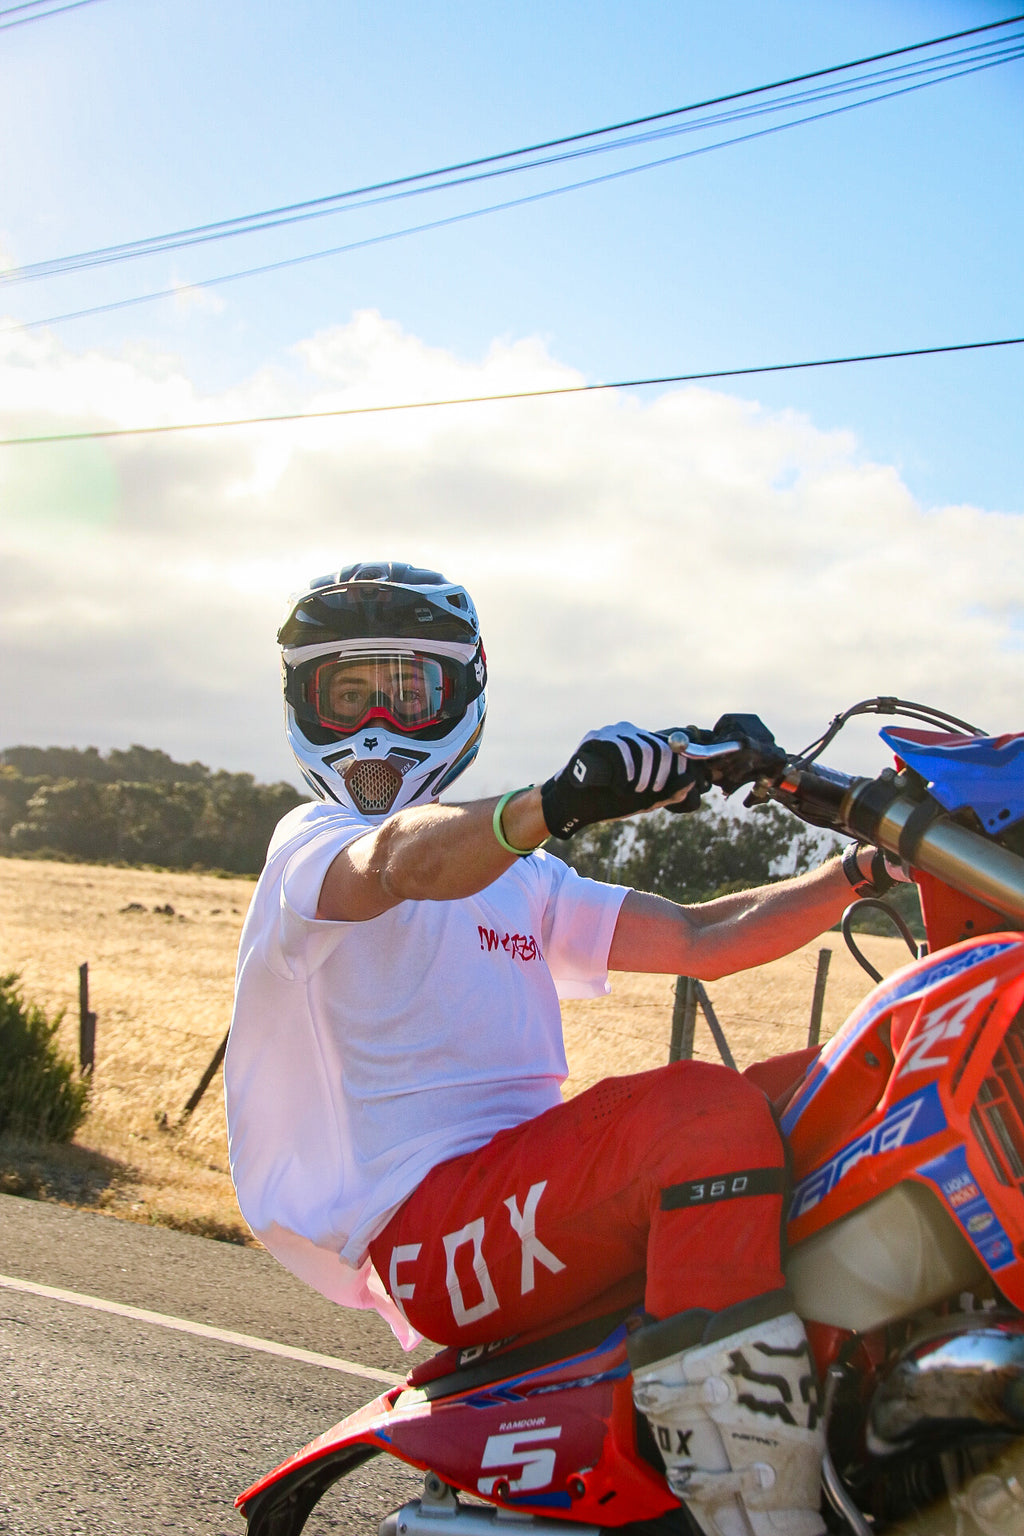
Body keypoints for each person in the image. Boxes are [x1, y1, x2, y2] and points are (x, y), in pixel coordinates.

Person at [224, 561, 904, 1536]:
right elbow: (402, 862)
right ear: (303, 705)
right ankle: (751, 1505)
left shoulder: (524, 880)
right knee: (698, 1117)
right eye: (348, 696)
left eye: (407, 694)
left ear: (459, 695)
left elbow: (702, 939)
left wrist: (862, 870)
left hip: (522, 1204)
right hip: (425, 1231)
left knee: (850, 1085)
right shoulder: (315, 844)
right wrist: (558, 798)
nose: (375, 731)